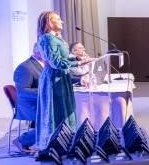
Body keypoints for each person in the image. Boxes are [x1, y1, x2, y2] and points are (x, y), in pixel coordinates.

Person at [35, 11, 91, 150]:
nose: (62, 21)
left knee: (65, 110)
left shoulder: (56, 37)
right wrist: (79, 63)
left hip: (61, 76)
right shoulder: (48, 38)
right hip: (53, 78)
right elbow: (56, 63)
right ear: (48, 23)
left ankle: (66, 142)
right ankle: (55, 145)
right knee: (57, 112)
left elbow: (62, 59)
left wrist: (78, 60)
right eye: (58, 19)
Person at [12, 43, 44, 152]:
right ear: (38, 52)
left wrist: (80, 79)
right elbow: (22, 91)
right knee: (52, 121)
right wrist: (46, 92)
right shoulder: (25, 67)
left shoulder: (46, 64)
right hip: (29, 105)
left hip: (42, 102)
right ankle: (22, 141)